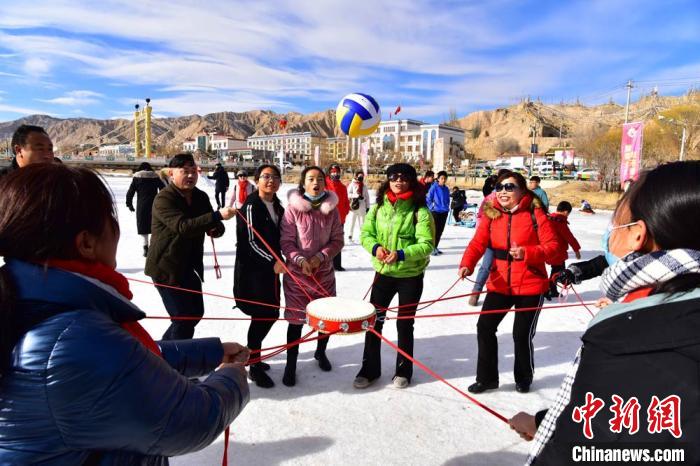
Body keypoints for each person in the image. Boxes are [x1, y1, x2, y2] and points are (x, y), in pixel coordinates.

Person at [0, 163, 250, 464]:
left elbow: (127, 361)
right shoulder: (72, 338)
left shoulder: (30, 297)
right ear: (87, 243)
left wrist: (211, 353)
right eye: (110, 218)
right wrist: (232, 378)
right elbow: (189, 420)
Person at [511, 161, 700, 465]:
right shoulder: (661, 307)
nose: (611, 232)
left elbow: (606, 435)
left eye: (617, 219)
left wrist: (554, 434)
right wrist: (546, 421)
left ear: (637, 235)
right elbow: (620, 409)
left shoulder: (631, 335)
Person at [458, 171, 561, 394]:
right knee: (484, 327)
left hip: (531, 285)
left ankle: (524, 378)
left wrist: (528, 252)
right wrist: (467, 263)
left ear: (522, 190)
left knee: (521, 334)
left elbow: (554, 248)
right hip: (500, 283)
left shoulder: (536, 214)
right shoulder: (491, 214)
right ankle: (486, 379)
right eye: (500, 187)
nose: (503, 191)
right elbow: (478, 242)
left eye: (510, 187)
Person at [353, 163, 434, 389]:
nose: (399, 181)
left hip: (410, 275)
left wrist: (401, 254)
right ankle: (369, 370)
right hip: (383, 274)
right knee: (373, 322)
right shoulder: (379, 207)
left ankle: (403, 371)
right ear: (388, 180)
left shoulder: (420, 211)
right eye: (394, 177)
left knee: (404, 324)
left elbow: (427, 244)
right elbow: (366, 234)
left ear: (412, 181)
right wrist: (376, 248)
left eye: (404, 177)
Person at [146, 153, 236, 340]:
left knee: (194, 314)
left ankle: (163, 349)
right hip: (166, 267)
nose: (190, 176)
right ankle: (173, 360)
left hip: (189, 266)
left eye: (193, 171)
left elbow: (213, 225)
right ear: (171, 173)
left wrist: (215, 228)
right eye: (184, 171)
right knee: (182, 319)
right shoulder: (164, 199)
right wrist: (217, 216)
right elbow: (183, 226)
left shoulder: (200, 196)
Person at [280, 166, 344, 386]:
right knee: (296, 321)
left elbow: (337, 240)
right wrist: (300, 260)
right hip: (297, 277)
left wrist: (320, 258)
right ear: (303, 183)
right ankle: (291, 364)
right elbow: (286, 242)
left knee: (325, 320)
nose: (316, 182)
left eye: (319, 179)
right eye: (310, 179)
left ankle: (320, 352)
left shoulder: (332, 210)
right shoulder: (292, 209)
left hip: (323, 274)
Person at [234, 164, 286, 388]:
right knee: (262, 314)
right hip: (253, 271)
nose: (270, 181)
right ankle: (253, 364)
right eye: (265, 177)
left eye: (275, 177)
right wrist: (272, 261)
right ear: (257, 180)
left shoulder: (278, 206)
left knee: (271, 313)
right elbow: (250, 242)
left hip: (273, 270)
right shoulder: (251, 206)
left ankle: (252, 354)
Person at [468, 168, 512, 306]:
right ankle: (476, 291)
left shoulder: (518, 198)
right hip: (492, 240)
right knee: (486, 266)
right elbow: (481, 218)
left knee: (508, 268)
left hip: (511, 241)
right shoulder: (490, 199)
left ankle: (506, 293)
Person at [126, 162, 166, 257]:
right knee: (155, 225)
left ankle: (145, 246)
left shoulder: (137, 178)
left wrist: (129, 204)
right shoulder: (155, 177)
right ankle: (153, 246)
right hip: (154, 205)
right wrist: (164, 202)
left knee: (143, 226)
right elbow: (163, 189)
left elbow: (130, 192)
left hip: (142, 205)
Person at [546, 201, 582, 299]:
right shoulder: (560, 222)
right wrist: (577, 250)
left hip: (549, 249)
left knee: (556, 271)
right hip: (558, 252)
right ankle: (550, 289)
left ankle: (550, 289)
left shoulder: (549, 218)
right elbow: (569, 237)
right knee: (558, 272)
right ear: (566, 212)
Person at [325, 163, 350, 271]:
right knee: (325, 242)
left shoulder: (343, 187)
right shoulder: (324, 185)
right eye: (333, 172)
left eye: (337, 172)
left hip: (340, 219)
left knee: (337, 241)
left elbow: (345, 202)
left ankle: (337, 264)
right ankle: (325, 264)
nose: (335, 174)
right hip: (326, 218)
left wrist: (344, 213)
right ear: (329, 173)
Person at [426, 170, 451, 254]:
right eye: (442, 178)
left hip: (444, 212)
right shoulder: (434, 187)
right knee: (434, 231)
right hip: (435, 212)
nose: (443, 180)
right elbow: (428, 199)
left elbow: (447, 199)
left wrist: (447, 206)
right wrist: (431, 207)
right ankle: (431, 248)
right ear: (438, 179)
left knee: (440, 231)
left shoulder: (446, 189)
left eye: (445, 178)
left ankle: (435, 247)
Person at [347, 170, 370, 242]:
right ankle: (350, 235)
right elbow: (348, 194)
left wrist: (368, 207)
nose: (361, 177)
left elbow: (367, 197)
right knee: (352, 221)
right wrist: (356, 195)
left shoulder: (364, 186)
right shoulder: (352, 184)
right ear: (356, 176)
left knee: (362, 222)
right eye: (359, 176)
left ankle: (362, 236)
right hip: (354, 205)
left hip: (362, 205)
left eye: (362, 176)